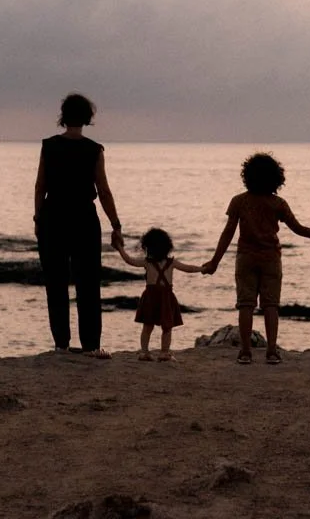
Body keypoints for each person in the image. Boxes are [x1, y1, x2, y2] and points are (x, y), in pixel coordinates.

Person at [203, 153, 310, 365]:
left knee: (245, 305)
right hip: (271, 259)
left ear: (247, 176)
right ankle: (271, 351)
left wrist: (214, 263)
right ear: (276, 178)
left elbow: (227, 233)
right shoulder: (278, 203)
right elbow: (298, 229)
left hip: (246, 258)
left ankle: (245, 352)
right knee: (271, 306)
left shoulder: (239, 202)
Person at [33, 93, 124, 359]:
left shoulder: (49, 146)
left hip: (53, 215)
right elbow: (104, 191)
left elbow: (40, 186)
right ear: (87, 118)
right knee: (88, 283)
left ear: (63, 116)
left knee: (56, 282)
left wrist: (38, 218)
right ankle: (91, 346)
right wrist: (116, 224)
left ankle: (61, 343)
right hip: (84, 217)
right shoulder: (94, 150)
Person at [115, 227, 202, 362]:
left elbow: (129, 260)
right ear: (167, 247)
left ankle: (144, 352)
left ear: (148, 247)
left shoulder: (147, 263)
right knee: (167, 327)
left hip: (150, 297)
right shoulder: (171, 263)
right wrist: (203, 269)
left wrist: (120, 248)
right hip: (166, 297)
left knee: (147, 326)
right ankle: (164, 352)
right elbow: (189, 268)